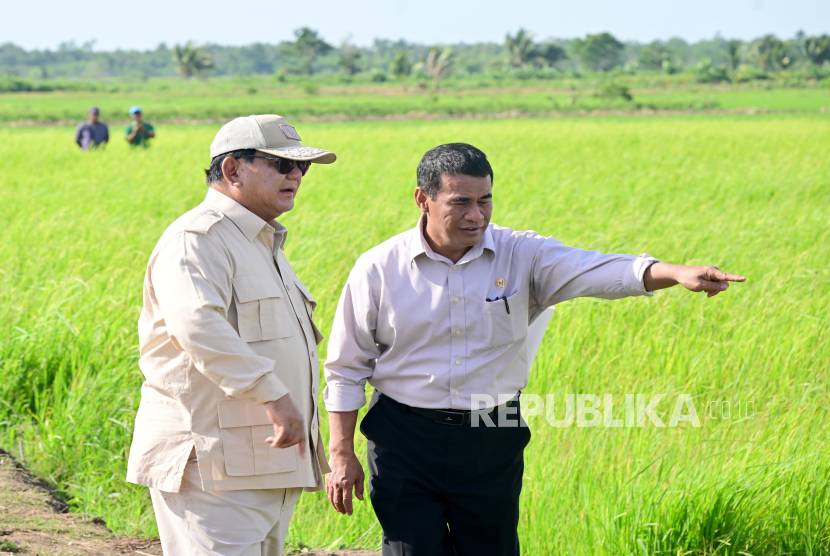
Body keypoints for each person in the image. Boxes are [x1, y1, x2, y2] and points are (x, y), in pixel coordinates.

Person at [323, 143, 746, 556]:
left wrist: (673, 272)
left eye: (485, 200)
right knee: (410, 549)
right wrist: (341, 454)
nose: (476, 215)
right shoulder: (378, 268)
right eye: (461, 202)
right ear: (423, 199)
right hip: (404, 436)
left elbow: (596, 269)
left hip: (493, 433)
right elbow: (346, 367)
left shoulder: (523, 254)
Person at [126, 114, 337, 556]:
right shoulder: (197, 239)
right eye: (281, 164)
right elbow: (197, 326)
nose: (296, 175)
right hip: (212, 465)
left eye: (302, 167)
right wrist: (276, 397)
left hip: (262, 462)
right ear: (232, 169)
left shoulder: (261, 242)